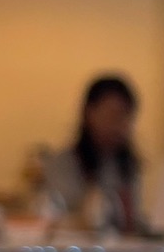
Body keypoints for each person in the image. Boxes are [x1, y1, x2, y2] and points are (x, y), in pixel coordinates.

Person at [42, 75, 144, 234]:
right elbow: (61, 217)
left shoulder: (128, 166)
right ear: (89, 113)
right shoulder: (63, 164)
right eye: (114, 115)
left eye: (127, 117)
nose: (121, 125)